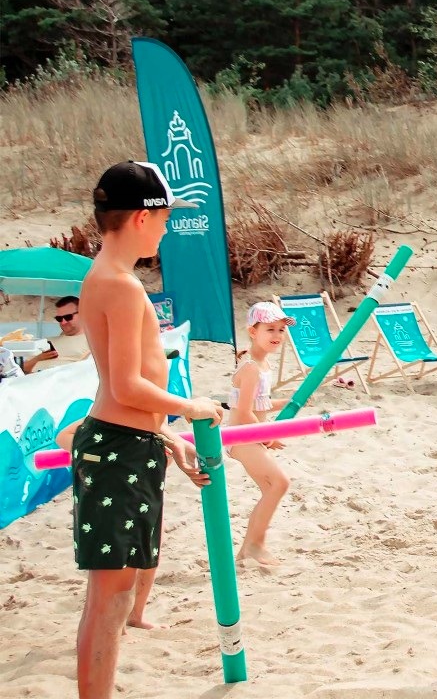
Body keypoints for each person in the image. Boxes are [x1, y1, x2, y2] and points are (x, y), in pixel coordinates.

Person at [72, 160, 223, 699]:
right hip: (117, 450)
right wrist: (192, 406)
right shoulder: (120, 285)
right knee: (110, 599)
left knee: (114, 595)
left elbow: (124, 393)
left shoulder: (107, 277)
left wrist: (165, 435)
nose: (166, 229)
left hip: (127, 444)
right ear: (141, 217)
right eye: (164, 218)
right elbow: (126, 387)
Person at [56, 419, 209, 630]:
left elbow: (158, 426)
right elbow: (64, 437)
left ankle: (135, 615)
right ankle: (118, 621)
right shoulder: (109, 418)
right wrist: (103, 457)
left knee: (149, 549)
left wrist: (175, 444)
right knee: (113, 559)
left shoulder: (153, 420)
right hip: (115, 488)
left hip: (145, 487)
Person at [228, 301, 294, 566]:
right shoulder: (251, 368)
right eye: (270, 329)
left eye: (281, 330)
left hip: (251, 436)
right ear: (253, 332)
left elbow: (260, 404)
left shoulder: (261, 364)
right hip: (242, 437)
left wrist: (289, 402)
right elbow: (244, 412)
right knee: (280, 483)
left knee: (270, 488)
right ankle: (255, 545)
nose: (277, 335)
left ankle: (248, 549)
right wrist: (268, 437)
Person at [22, 295, 91, 373]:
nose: (63, 322)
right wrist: (39, 358)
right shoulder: (47, 342)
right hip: (31, 378)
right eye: (59, 319)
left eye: (68, 317)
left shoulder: (91, 343)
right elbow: (22, 369)